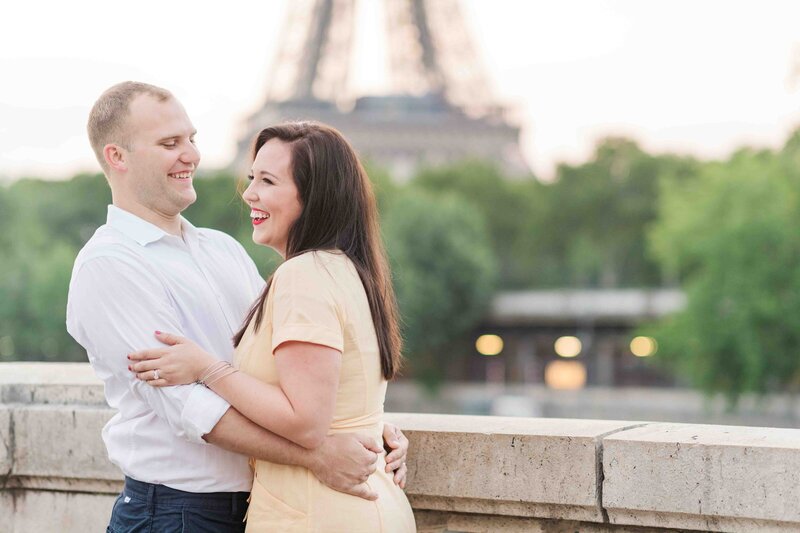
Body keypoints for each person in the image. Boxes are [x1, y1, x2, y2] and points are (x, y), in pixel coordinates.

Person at [67, 82, 409, 533]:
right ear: (118, 157)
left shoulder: (223, 249)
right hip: (177, 512)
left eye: (191, 138)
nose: (190, 154)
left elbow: (288, 370)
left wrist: (361, 425)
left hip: (260, 504)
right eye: (170, 143)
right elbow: (189, 408)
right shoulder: (109, 265)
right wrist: (321, 452)